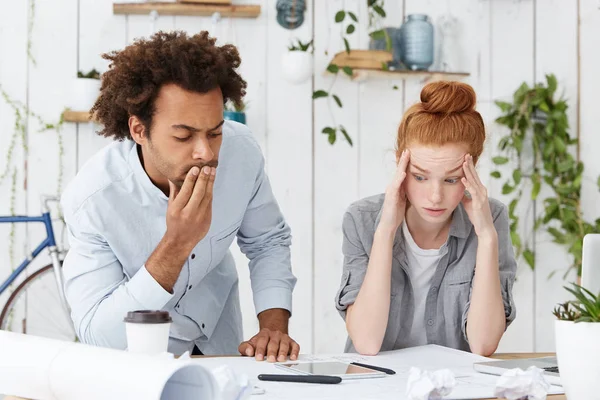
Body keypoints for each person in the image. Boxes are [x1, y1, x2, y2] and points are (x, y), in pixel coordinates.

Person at [60, 31, 299, 361]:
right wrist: (177, 243)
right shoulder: (93, 200)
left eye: (214, 132)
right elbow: (100, 335)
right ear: (138, 130)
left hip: (221, 346)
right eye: (184, 135)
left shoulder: (241, 152)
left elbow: (267, 241)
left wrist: (273, 326)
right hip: (141, 362)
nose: (205, 152)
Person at [335, 81, 517, 357]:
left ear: (472, 170)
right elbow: (367, 343)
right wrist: (385, 231)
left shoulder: (492, 219)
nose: (435, 196)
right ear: (401, 165)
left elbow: (483, 345)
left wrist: (487, 236)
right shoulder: (361, 219)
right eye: (420, 177)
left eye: (451, 179)